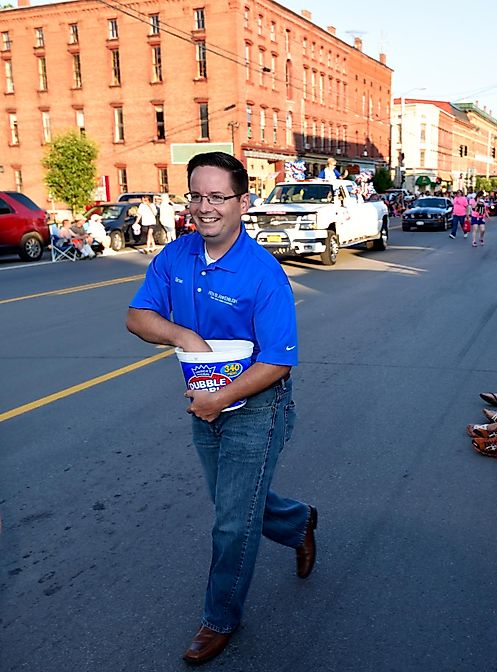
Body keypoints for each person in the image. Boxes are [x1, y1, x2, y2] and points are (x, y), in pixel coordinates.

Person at [125, 152, 317, 665]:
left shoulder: (264, 274)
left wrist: (220, 399)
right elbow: (137, 316)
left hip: (257, 405)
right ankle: (298, 523)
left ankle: (220, 618)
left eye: (218, 197)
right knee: (233, 503)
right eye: (196, 195)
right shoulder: (176, 256)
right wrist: (182, 332)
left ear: (242, 203)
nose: (205, 207)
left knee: (232, 520)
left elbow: (279, 362)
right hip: (203, 400)